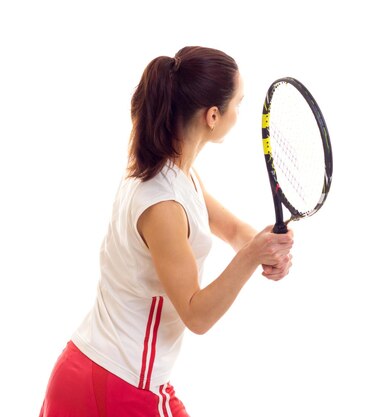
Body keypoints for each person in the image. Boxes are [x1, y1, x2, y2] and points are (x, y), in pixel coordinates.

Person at [38, 46, 294, 417]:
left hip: (93, 370)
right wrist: (254, 254)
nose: (239, 112)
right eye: (238, 103)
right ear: (212, 116)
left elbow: (235, 229)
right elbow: (197, 314)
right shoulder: (163, 206)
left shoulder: (172, 174)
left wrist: (266, 249)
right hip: (122, 383)